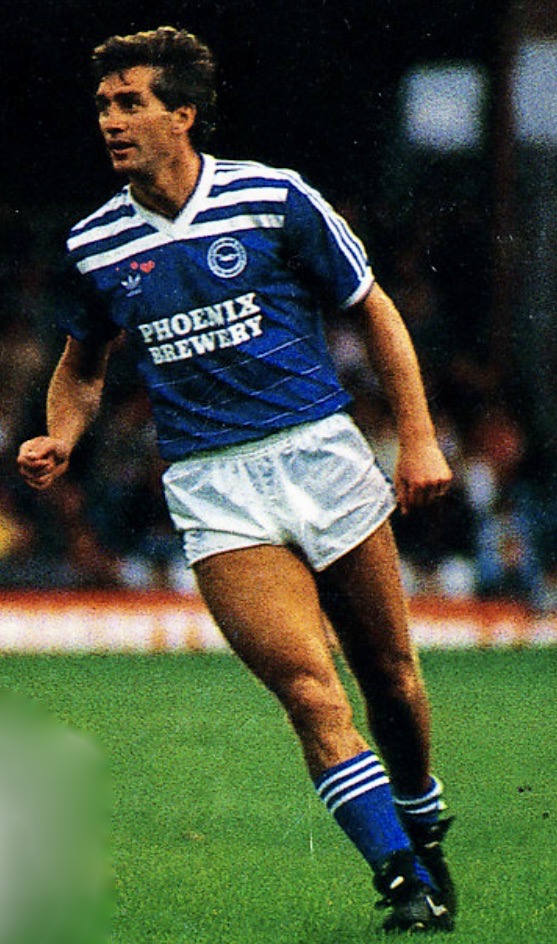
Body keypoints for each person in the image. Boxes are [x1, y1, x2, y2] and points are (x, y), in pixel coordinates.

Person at [18, 27, 456, 933]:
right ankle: (401, 881)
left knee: (391, 681)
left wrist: (416, 439)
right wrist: (60, 432)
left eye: (131, 102)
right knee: (308, 687)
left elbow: (371, 308)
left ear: (182, 114)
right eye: (103, 105)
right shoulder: (96, 243)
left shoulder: (272, 197)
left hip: (323, 458)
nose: (111, 120)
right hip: (214, 490)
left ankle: (420, 823)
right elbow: (83, 364)